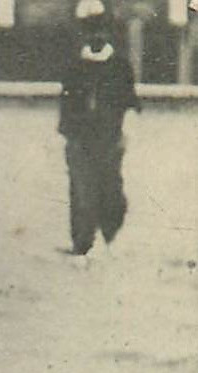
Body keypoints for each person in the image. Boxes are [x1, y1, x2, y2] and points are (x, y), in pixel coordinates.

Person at [59, 0, 141, 263]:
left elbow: (130, 102)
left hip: (109, 138)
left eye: (101, 29)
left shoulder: (119, 66)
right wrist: (70, 135)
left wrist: (124, 134)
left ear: (109, 32)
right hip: (81, 140)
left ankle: (109, 235)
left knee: (111, 190)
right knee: (83, 191)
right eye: (90, 29)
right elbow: (66, 105)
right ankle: (82, 244)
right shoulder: (74, 67)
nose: (96, 35)